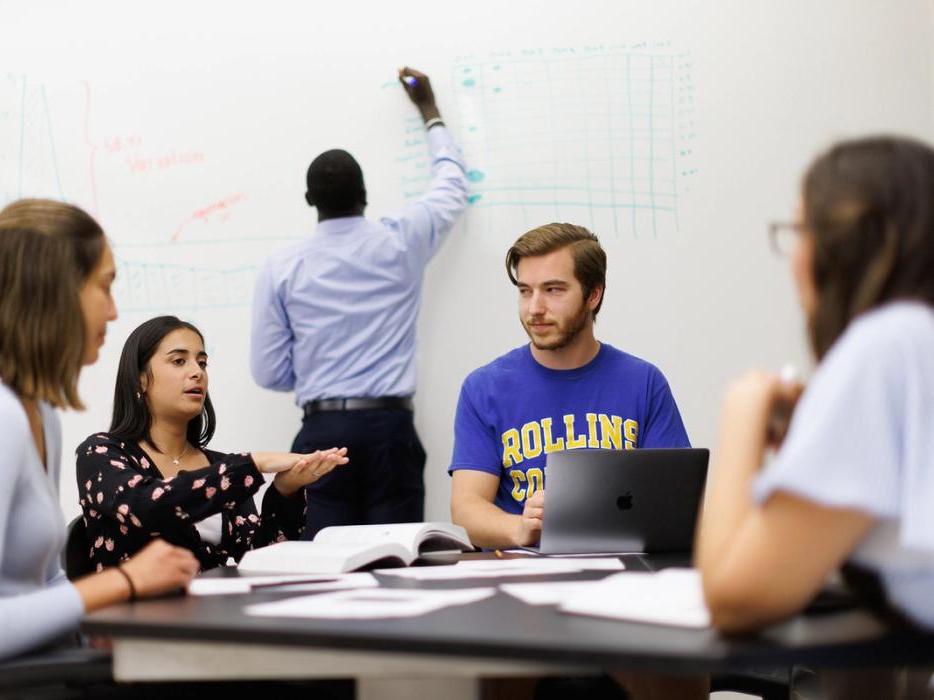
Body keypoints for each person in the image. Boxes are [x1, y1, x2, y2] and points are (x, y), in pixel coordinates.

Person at [0, 200, 198, 692]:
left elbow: (43, 584)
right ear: (54, 291)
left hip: (34, 670)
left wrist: (93, 626)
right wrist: (126, 581)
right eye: (105, 285)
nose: (114, 310)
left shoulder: (36, 411)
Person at [696, 137, 934, 699]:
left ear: (845, 244)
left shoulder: (883, 346)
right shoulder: (916, 340)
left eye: (799, 231)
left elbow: (733, 598)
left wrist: (743, 413)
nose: (794, 255)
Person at [250, 66, 468, 539]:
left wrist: (317, 374)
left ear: (310, 200)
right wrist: (430, 111)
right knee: (398, 562)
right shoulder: (401, 242)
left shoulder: (282, 267)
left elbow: (268, 372)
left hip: (321, 432)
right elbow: (452, 187)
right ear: (365, 195)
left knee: (322, 567)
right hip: (390, 428)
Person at [449, 223, 690, 550]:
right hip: (521, 581)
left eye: (553, 290)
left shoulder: (644, 383)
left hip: (622, 577)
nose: (535, 308)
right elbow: (466, 508)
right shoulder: (484, 388)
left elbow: (675, 503)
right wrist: (521, 527)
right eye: (525, 290)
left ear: (593, 294)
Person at [75, 315, 348, 570]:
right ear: (141, 379)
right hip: (136, 617)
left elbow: (258, 558)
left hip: (215, 615)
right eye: (179, 361)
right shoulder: (101, 452)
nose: (197, 372)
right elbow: (148, 507)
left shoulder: (217, 465)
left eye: (202, 363)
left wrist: (285, 491)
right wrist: (253, 463)